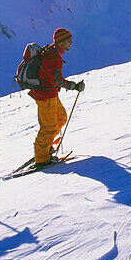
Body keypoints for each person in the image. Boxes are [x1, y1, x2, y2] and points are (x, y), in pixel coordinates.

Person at [29, 27, 85, 168]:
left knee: (61, 117)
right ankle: (41, 159)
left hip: (49, 94)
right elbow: (57, 80)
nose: (71, 43)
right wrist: (75, 86)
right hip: (45, 96)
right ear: (61, 41)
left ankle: (46, 146)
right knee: (48, 127)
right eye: (69, 40)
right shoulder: (54, 57)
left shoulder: (52, 52)